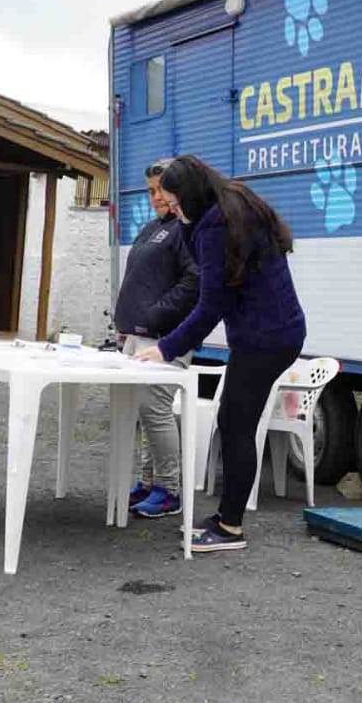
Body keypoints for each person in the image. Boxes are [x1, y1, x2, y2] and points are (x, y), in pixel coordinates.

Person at [132, 154, 306, 552]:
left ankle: (230, 528)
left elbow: (210, 306)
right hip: (276, 331)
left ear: (191, 195)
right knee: (232, 421)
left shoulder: (214, 227)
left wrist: (165, 349)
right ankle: (226, 517)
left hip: (265, 338)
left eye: (175, 203)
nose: (173, 210)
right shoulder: (233, 203)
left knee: (236, 426)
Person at [115, 160, 199, 519]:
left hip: (165, 337)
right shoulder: (154, 228)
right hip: (138, 337)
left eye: (160, 189)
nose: (155, 197)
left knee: (155, 408)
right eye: (150, 191)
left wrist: (155, 314)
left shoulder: (186, 230)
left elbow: (194, 281)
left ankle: (169, 489)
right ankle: (149, 482)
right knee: (143, 411)